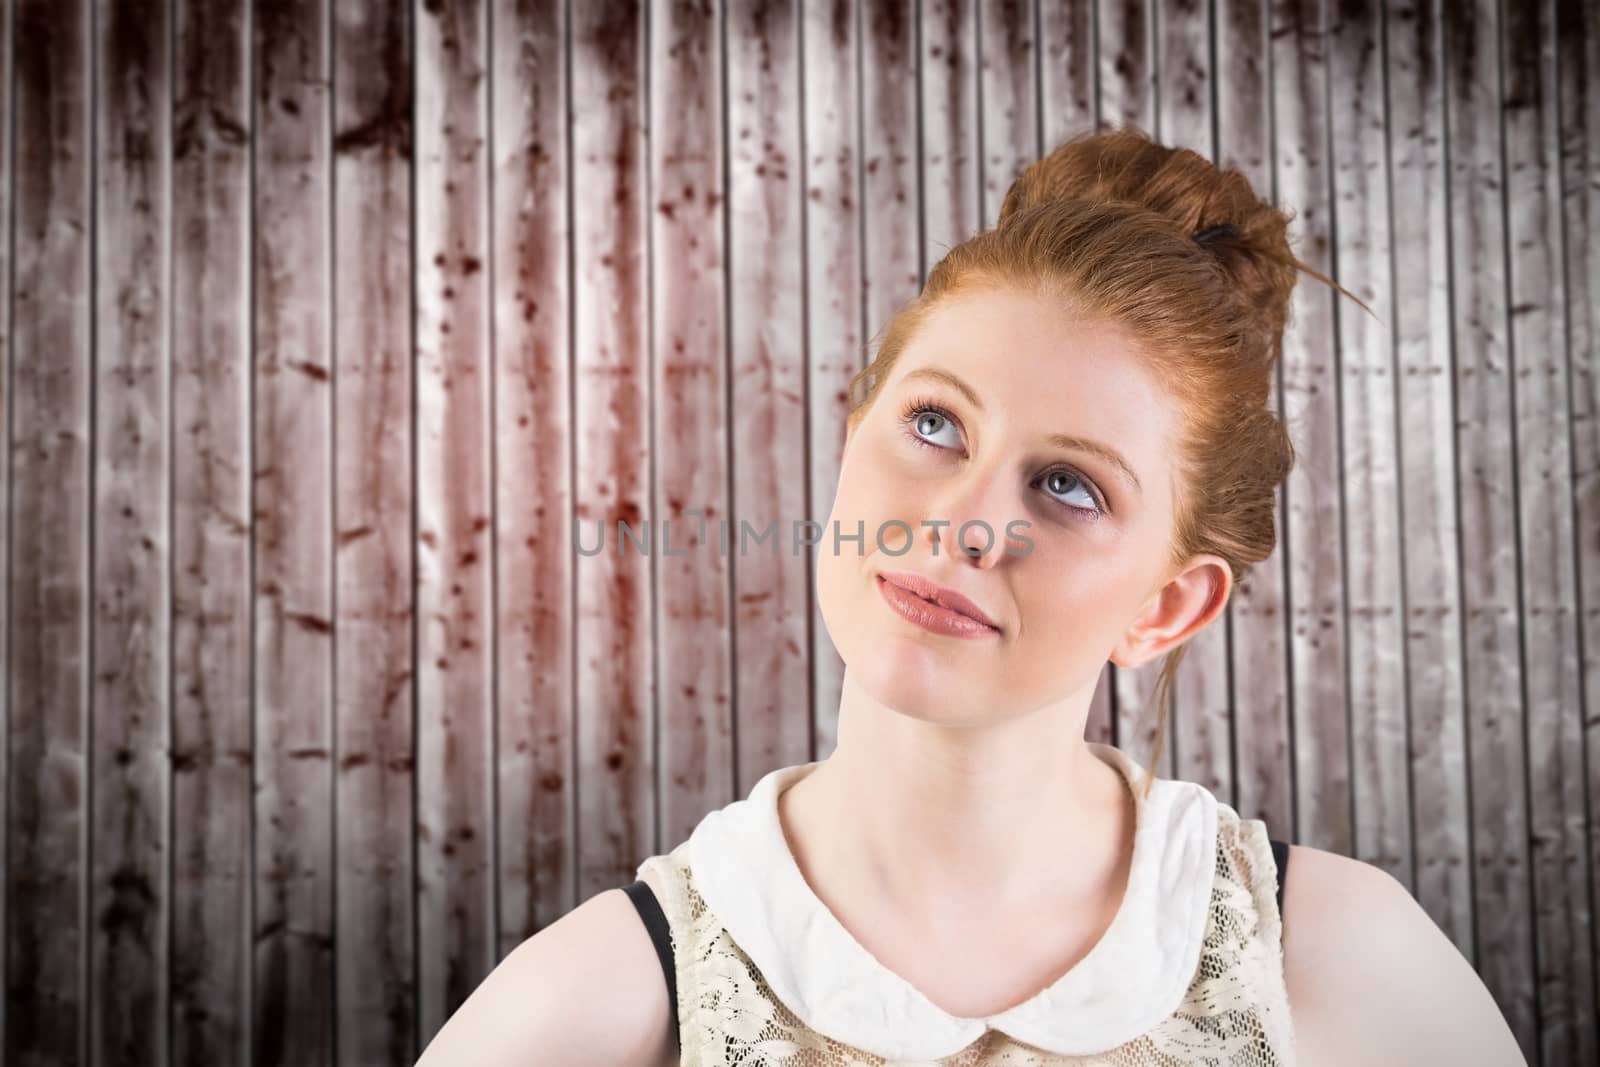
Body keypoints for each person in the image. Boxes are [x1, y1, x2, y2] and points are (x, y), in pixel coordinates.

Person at [414, 126, 1528, 1066]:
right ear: (855, 439)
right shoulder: (593, 1007)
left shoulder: (1344, 967)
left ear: (1168, 606)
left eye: (1067, 484)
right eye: (935, 424)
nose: (960, 524)